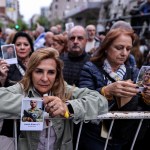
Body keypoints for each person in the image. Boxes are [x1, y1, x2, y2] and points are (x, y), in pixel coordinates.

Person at [0, 47, 108, 150]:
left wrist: (68, 107)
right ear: (31, 72)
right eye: (39, 71)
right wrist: (37, 104)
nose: (45, 78)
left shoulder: (65, 89)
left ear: (57, 75)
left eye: (51, 72)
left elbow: (100, 101)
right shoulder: (22, 88)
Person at [79, 28, 150, 150]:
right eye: (119, 48)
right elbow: (82, 98)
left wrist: (147, 97)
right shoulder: (90, 68)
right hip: (94, 135)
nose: (124, 53)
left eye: (128, 49)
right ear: (106, 47)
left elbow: (140, 105)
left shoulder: (133, 71)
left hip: (124, 136)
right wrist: (106, 91)